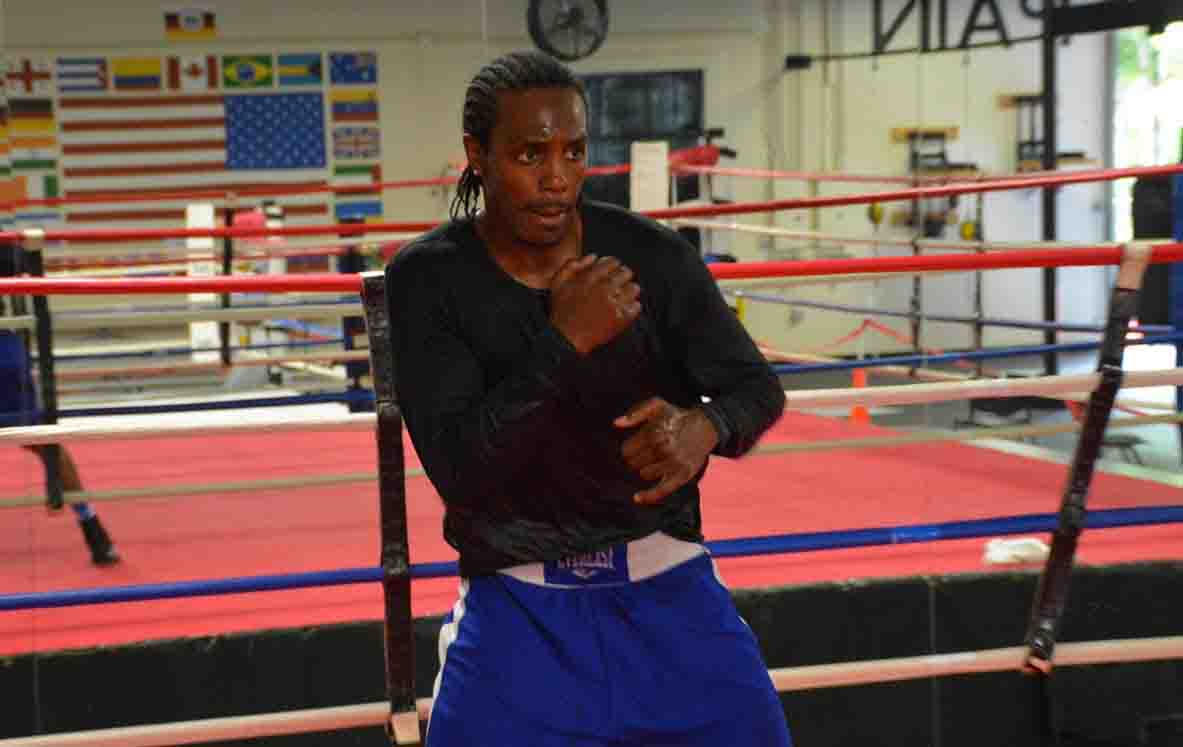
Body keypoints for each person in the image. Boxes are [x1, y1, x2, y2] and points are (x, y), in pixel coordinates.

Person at [385, 50, 791, 746]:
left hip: (669, 589)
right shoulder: (430, 280)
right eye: (529, 154)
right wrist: (564, 341)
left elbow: (756, 388)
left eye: (573, 151)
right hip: (516, 608)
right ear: (477, 155)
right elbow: (460, 469)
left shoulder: (651, 256)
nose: (556, 178)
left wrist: (705, 426)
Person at [1, 243, 119, 565]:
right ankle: (93, 529)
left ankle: (92, 526)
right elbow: (21, 259)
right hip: (6, 352)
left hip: (3, 353)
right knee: (43, 441)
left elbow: (18, 258)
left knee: (42, 440)